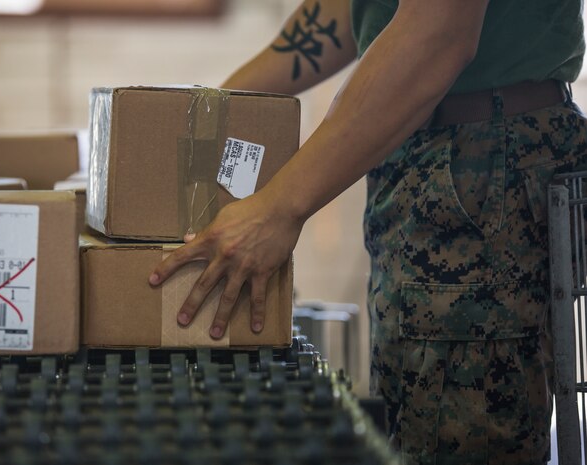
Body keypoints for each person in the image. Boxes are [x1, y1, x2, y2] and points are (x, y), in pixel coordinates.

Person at [149, 0, 586, 463]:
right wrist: (206, 117)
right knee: (413, 426)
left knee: (459, 437)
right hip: (432, 154)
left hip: (480, 162)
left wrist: (277, 209)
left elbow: (438, 35)